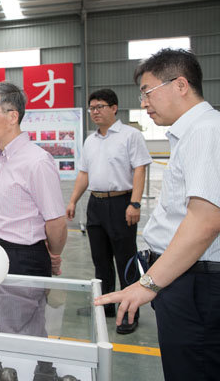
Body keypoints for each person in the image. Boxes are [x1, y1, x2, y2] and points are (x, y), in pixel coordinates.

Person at [95, 48, 220, 380]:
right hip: (183, 276)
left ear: (180, 85)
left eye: (148, 92)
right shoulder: (191, 132)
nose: (144, 103)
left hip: (196, 282)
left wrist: (148, 284)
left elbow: (205, 221)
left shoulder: (205, 131)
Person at [0, 81, 67, 337]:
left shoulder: (36, 162)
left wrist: (54, 255)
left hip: (20, 257)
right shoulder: (0, 156)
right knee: (2, 324)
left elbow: (56, 222)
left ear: (12, 116)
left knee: (17, 332)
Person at [66, 89, 151, 334]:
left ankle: (130, 313)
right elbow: (84, 173)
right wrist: (73, 201)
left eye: (100, 107)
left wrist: (135, 203)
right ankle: (107, 307)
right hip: (96, 203)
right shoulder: (90, 141)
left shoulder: (130, 136)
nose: (95, 112)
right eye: (92, 108)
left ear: (114, 108)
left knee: (125, 260)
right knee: (100, 260)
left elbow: (139, 169)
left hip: (121, 203)